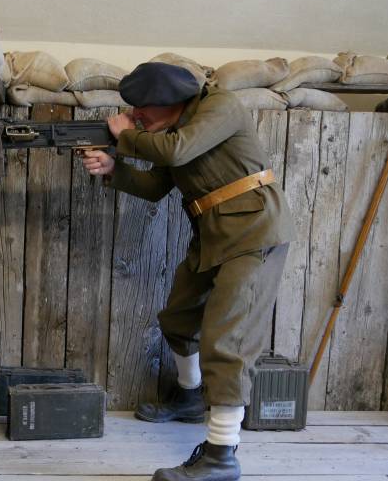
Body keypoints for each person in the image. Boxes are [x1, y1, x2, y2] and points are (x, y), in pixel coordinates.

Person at [82, 62, 295, 481]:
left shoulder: (220, 106)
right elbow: (157, 186)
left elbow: (177, 151)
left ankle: (221, 457)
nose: (137, 117)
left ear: (171, 101)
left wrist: (124, 135)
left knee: (226, 342)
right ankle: (190, 397)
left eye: (142, 110)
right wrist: (114, 170)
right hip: (213, 235)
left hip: (254, 231)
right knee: (178, 321)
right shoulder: (167, 131)